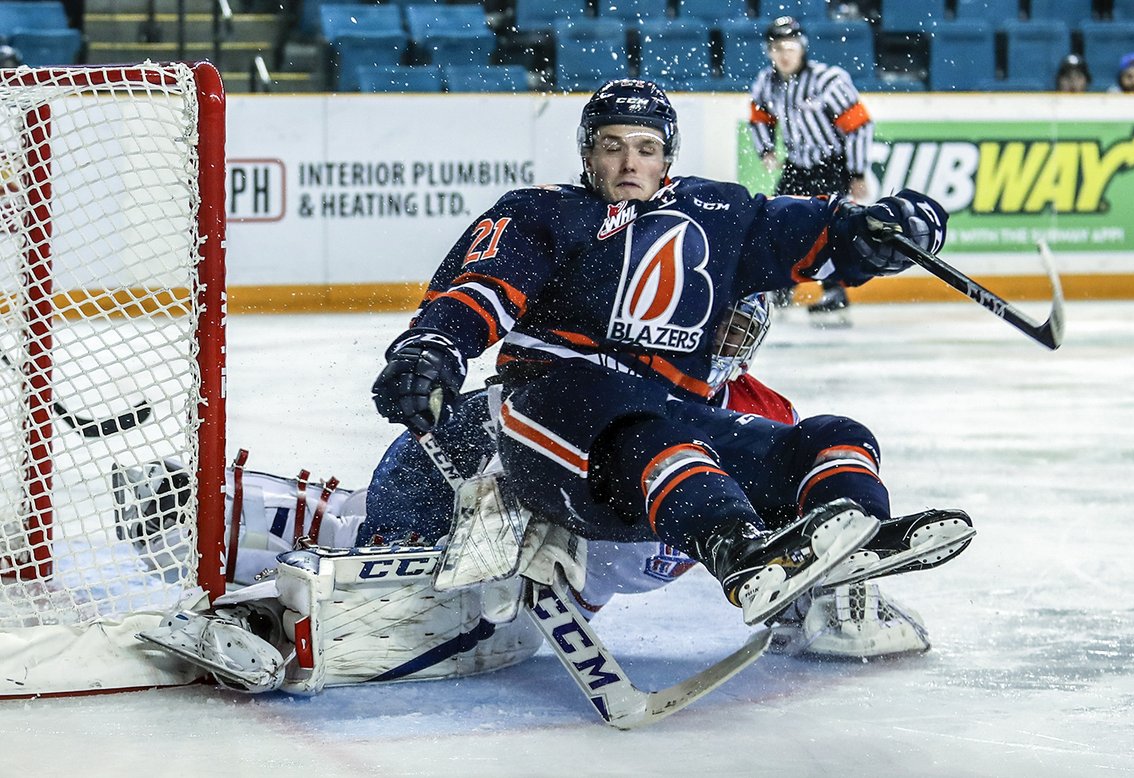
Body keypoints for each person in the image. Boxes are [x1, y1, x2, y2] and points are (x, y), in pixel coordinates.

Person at [119, 296, 953, 693]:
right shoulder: (619, 371)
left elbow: (776, 554)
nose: (717, 341)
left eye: (737, 326)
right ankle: (209, 535)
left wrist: (830, 593)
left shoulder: (765, 418)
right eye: (709, 323)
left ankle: (230, 548)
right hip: (512, 507)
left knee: (433, 593)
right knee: (397, 553)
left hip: (568, 577)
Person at [371, 78, 963, 633]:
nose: (630, 163)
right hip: (556, 417)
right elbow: (483, 289)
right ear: (588, 154)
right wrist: (434, 348)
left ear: (667, 158)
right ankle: (736, 550)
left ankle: (854, 545)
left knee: (832, 436)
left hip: (667, 434)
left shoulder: (723, 214)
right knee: (634, 422)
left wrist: (898, 224)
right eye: (612, 146)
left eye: (646, 148)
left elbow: (824, 230)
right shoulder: (543, 211)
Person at [747, 16, 876, 323]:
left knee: (832, 229)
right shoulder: (767, 82)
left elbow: (859, 126)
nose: (784, 54)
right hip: (797, 164)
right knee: (776, 222)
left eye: (790, 47)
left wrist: (857, 172)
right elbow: (759, 118)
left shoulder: (827, 80)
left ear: (802, 48)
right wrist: (766, 149)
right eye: (777, 48)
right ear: (769, 51)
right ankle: (781, 285)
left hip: (831, 165)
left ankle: (835, 292)